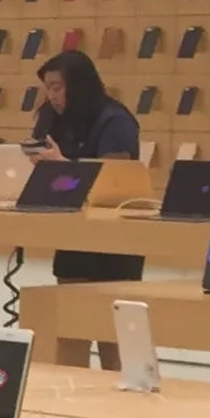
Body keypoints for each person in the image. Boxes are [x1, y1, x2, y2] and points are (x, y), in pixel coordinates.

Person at [24, 47, 144, 284]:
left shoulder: (115, 120)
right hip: (72, 228)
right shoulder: (51, 115)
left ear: (78, 86)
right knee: (66, 296)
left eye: (57, 88)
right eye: (48, 88)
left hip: (113, 237)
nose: (51, 96)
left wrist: (62, 165)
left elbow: (114, 180)